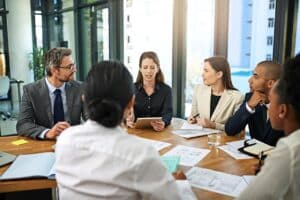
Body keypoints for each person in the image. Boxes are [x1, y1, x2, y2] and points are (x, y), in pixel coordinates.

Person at [55, 61, 183, 200]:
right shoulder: (141, 154)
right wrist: (182, 184)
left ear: (84, 98)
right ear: (131, 103)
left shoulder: (64, 141)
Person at [238, 54, 300, 200]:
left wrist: (182, 184)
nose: (268, 106)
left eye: (271, 101)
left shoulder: (291, 149)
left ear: (282, 110)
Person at [17, 47, 87, 139]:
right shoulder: (31, 91)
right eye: (69, 67)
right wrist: (47, 132)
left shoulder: (80, 88)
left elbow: (91, 118)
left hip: (73, 141)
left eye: (74, 65)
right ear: (54, 70)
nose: (74, 70)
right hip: (45, 144)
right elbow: (23, 124)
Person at [225, 61, 285, 146]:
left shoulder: (286, 106)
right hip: (252, 156)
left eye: (256, 77)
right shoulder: (250, 98)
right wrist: (249, 106)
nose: (249, 80)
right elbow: (230, 130)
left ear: (270, 83)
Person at [187, 56, 243, 131]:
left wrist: (213, 125)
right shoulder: (199, 90)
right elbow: (194, 115)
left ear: (219, 74)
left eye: (206, 71)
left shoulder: (237, 97)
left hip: (223, 140)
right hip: (200, 139)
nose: (202, 74)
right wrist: (192, 119)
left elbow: (237, 129)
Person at [126, 51, 172, 131]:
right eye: (145, 67)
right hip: (136, 132)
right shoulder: (131, 88)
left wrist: (163, 123)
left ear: (157, 69)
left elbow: (167, 113)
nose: (148, 71)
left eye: (152, 67)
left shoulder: (166, 90)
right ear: (140, 69)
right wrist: (127, 120)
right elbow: (124, 112)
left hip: (159, 133)